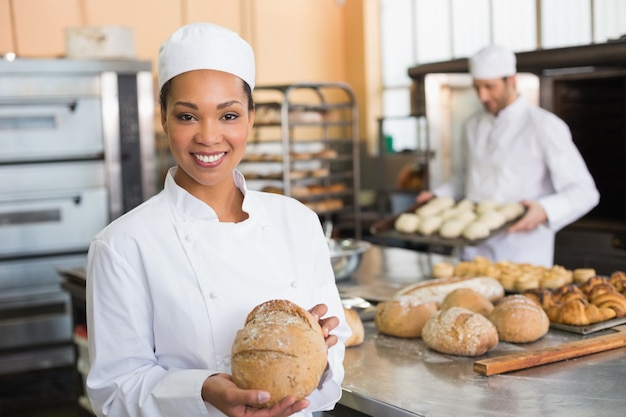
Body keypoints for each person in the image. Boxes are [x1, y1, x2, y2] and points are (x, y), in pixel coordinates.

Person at [85, 22, 350, 417]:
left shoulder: (297, 221)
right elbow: (114, 390)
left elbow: (336, 355)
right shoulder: (123, 244)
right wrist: (204, 391)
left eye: (228, 116)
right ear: (162, 118)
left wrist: (313, 350)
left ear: (251, 118)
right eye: (188, 117)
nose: (209, 137)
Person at [416, 44, 599, 267]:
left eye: (489, 87)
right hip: (472, 254)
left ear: (511, 81)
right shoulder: (472, 125)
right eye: (477, 87)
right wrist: (438, 195)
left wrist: (544, 210)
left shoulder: (543, 125)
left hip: (520, 255)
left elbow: (584, 192)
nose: (483, 96)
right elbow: (464, 179)